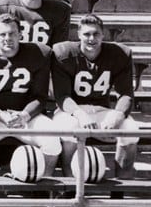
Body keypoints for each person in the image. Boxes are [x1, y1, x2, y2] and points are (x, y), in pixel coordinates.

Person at [0, 14, 60, 179]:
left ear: (20, 34)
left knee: (52, 140)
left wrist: (24, 115)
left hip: (26, 118)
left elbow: (40, 96)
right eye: (2, 34)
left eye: (12, 33)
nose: (7, 38)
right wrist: (0, 115)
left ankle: (44, 190)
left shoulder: (39, 54)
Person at [51, 15, 139, 181]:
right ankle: (71, 188)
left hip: (101, 110)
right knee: (70, 128)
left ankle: (120, 191)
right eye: (86, 34)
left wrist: (117, 114)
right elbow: (62, 96)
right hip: (71, 111)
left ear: (103, 35)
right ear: (78, 35)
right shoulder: (64, 53)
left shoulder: (119, 54)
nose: (91, 39)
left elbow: (126, 93)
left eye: (96, 34)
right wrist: (79, 113)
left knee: (130, 129)